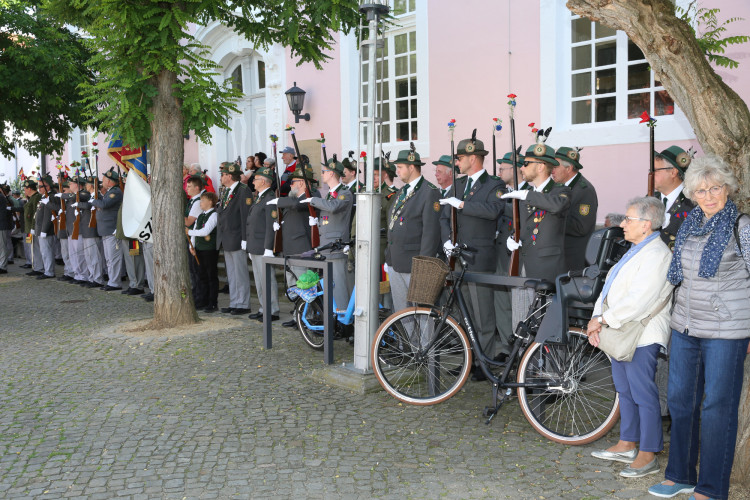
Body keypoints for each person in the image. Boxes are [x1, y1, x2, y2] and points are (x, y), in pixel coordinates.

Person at [649, 155, 750, 500]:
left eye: (716, 188)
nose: (709, 196)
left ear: (728, 189)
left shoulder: (741, 225)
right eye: (702, 190)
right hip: (686, 328)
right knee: (679, 401)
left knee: (717, 407)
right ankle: (679, 474)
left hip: (726, 332)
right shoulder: (689, 224)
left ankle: (711, 487)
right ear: (692, 194)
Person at [587, 196, 673, 479]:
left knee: (643, 393)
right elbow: (608, 288)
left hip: (641, 334)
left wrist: (602, 320)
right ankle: (627, 443)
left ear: (646, 225)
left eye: (628, 219)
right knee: (625, 390)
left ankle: (649, 453)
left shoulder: (658, 254)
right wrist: (597, 316)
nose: (622, 224)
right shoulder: (636, 249)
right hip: (621, 331)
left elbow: (639, 300)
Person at [439, 132, 506, 378]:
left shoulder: (494, 185)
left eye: (460, 158)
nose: (456, 162)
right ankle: (469, 360)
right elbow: (444, 216)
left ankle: (483, 363)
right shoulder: (457, 185)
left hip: (479, 258)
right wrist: (446, 241)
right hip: (457, 257)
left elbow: (495, 210)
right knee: (464, 313)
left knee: (483, 316)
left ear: (474, 158)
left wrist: (463, 205)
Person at [503, 141, 571, 283]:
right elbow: (523, 225)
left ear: (540, 167)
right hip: (522, 265)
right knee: (519, 306)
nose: (521, 168)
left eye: (526, 163)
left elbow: (557, 205)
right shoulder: (527, 194)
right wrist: (513, 237)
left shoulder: (560, 191)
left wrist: (527, 196)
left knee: (544, 306)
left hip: (546, 269)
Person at [385, 146, 441, 313]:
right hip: (396, 262)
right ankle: (408, 341)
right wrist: (389, 258)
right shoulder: (401, 192)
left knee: (421, 313)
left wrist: (423, 267)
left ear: (411, 167)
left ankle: (424, 341)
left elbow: (430, 233)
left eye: (400, 167)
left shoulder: (429, 192)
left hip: (415, 264)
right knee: (402, 313)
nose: (397, 171)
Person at [302, 156, 354, 309]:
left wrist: (312, 200)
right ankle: (335, 321)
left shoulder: (345, 193)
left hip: (336, 247)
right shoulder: (329, 194)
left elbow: (333, 207)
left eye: (324, 171)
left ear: (331, 173)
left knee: (339, 289)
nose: (322, 174)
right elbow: (328, 216)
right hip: (326, 247)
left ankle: (344, 321)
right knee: (330, 288)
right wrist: (317, 223)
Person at [273, 165, 320, 327]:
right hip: (290, 248)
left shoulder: (309, 196)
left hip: (302, 248)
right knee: (294, 286)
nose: (290, 185)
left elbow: (296, 204)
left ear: (301, 183)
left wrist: (278, 200)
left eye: (292, 182)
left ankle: (306, 316)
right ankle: (298, 315)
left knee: (304, 285)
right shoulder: (295, 199)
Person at [216, 161, 253, 315]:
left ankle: (243, 304)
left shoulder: (243, 190)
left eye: (223, 175)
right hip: (227, 237)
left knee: (240, 273)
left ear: (230, 176)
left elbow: (245, 216)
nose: (221, 177)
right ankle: (235, 301)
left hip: (237, 237)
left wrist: (245, 238)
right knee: (231, 273)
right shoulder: (226, 191)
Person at [552, 146, 598, 271]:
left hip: (573, 260)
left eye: (555, 166)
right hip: (559, 256)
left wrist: (552, 219)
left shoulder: (584, 190)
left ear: (569, 168)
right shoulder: (557, 187)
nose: (552, 170)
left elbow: (581, 227)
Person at [245, 166, 279, 322]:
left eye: (256, 179)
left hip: (262, 246)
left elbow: (270, 225)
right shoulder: (261, 197)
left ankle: (272, 310)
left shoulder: (270, 198)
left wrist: (268, 248)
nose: (253, 181)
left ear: (264, 181)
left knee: (267, 280)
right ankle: (263, 307)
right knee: (259, 280)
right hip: (255, 245)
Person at [652, 146, 695, 250]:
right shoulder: (650, 199)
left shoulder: (692, 201)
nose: (651, 174)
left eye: (655, 170)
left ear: (673, 172)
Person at [90, 170, 124, 291]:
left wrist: (93, 201)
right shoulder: (109, 192)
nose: (102, 182)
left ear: (109, 181)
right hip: (105, 230)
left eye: (104, 180)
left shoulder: (115, 192)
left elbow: (104, 204)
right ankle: (112, 281)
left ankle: (115, 282)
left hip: (112, 229)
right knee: (109, 258)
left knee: (114, 258)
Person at [187, 191, 220, 313]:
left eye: (203, 200)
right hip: (199, 250)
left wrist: (189, 232)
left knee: (210, 276)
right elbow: (196, 230)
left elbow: (205, 231)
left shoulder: (214, 216)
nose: (200, 203)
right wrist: (193, 246)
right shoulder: (201, 216)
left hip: (209, 251)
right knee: (200, 276)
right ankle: (202, 299)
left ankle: (212, 302)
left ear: (210, 202)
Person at [116, 172, 146, 296]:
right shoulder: (127, 196)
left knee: (135, 259)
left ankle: (138, 285)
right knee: (129, 261)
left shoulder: (136, 197)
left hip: (133, 235)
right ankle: (133, 283)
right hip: (125, 234)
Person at [185, 175, 206, 306]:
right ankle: (196, 294)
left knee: (197, 270)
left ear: (197, 188)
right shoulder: (193, 200)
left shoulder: (198, 201)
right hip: (191, 237)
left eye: (189, 186)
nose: (187, 189)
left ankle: (200, 297)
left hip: (197, 239)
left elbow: (189, 221)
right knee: (193, 269)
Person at [35, 175, 57, 279]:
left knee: (47, 252)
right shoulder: (44, 197)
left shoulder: (51, 197)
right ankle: (47, 270)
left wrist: (44, 230)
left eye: (41, 186)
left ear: (47, 187)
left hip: (46, 230)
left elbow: (48, 216)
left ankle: (49, 272)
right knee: (44, 252)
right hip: (41, 229)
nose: (39, 189)